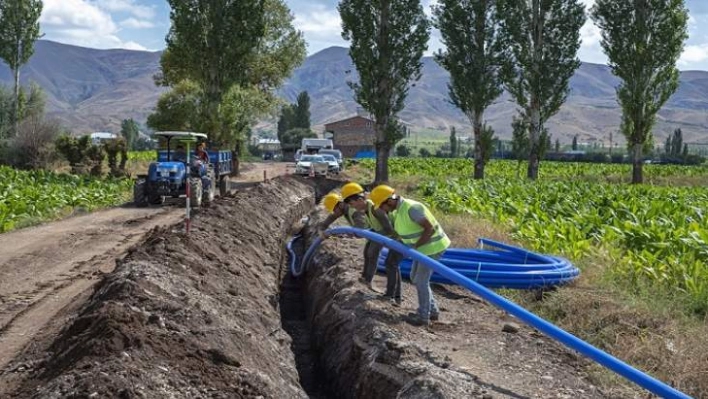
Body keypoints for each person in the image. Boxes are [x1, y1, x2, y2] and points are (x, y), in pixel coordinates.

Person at [370, 184, 451, 326]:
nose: (383, 210)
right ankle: (432, 311)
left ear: (389, 201)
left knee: (421, 280)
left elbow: (429, 229)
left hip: (433, 247)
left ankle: (423, 316)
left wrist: (414, 247)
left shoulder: (411, 208)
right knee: (415, 277)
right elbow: (406, 231)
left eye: (382, 207)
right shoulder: (397, 211)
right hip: (423, 249)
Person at [341, 182, 403, 305]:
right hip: (382, 234)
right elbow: (374, 226)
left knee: (387, 261)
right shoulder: (366, 209)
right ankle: (365, 278)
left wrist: (375, 237)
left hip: (396, 237)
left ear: (360, 200)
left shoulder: (375, 209)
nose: (352, 208)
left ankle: (393, 296)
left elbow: (388, 229)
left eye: (352, 204)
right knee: (367, 252)